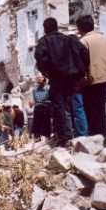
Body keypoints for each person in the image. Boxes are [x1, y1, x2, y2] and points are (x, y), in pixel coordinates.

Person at [35, 17, 88, 147]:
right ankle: (82, 135)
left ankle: (64, 137)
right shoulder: (69, 39)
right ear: (57, 27)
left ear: (45, 28)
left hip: (56, 79)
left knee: (60, 108)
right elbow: (84, 53)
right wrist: (82, 70)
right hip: (73, 78)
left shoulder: (44, 42)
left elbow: (40, 59)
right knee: (76, 106)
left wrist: (47, 73)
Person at [76, 15, 106, 144]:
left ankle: (95, 139)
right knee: (101, 109)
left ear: (80, 28)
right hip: (104, 78)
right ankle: (103, 137)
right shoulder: (104, 39)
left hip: (90, 81)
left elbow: (82, 63)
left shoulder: (83, 42)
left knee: (90, 111)